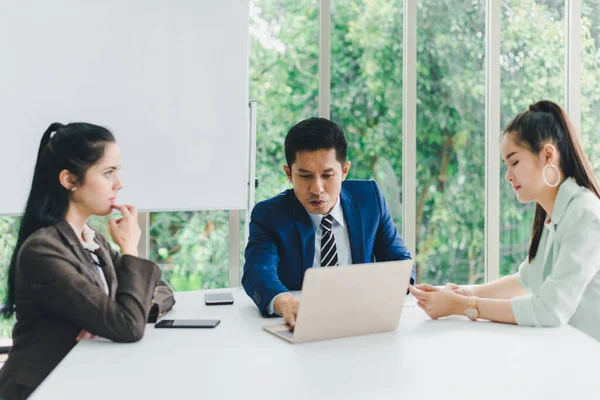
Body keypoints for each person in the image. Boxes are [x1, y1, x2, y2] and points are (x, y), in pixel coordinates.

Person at [0, 122, 174, 399]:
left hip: (82, 376)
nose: (120, 183)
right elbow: (128, 326)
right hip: (41, 388)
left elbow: (163, 291)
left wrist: (113, 318)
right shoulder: (43, 251)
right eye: (108, 173)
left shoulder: (91, 239)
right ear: (69, 180)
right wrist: (129, 249)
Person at [409, 100, 600, 341]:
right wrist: (458, 292)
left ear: (548, 154)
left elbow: (550, 311)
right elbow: (524, 280)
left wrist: (461, 305)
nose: (508, 176)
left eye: (515, 162)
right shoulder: (556, 214)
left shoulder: (584, 214)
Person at [242, 117, 415, 328]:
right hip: (300, 325)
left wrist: (394, 288)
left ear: (344, 172)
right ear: (289, 174)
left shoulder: (369, 199)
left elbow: (399, 261)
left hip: (364, 323)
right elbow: (258, 271)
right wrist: (283, 301)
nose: (317, 189)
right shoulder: (269, 214)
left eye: (327, 175)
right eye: (305, 176)